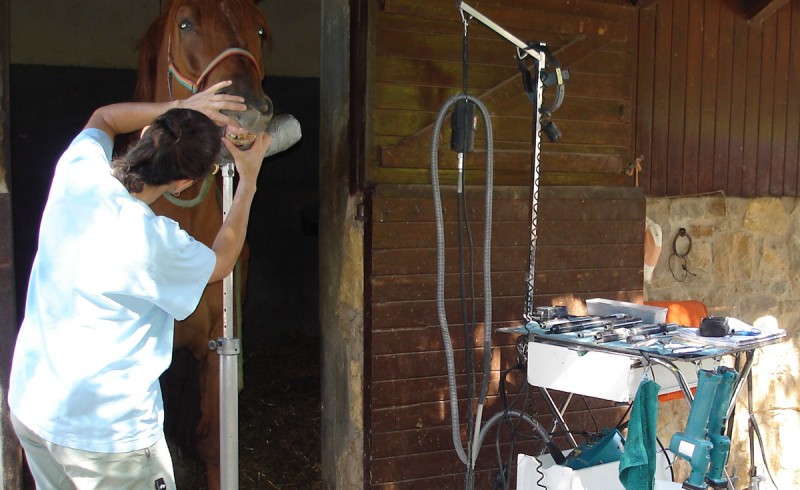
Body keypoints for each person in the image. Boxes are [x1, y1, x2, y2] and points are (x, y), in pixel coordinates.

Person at [8, 80, 270, 490]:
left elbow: (104, 118)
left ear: (147, 135)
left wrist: (181, 103)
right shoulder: (153, 241)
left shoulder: (76, 172)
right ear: (186, 183)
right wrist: (249, 181)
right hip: (108, 440)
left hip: (34, 409)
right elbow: (221, 261)